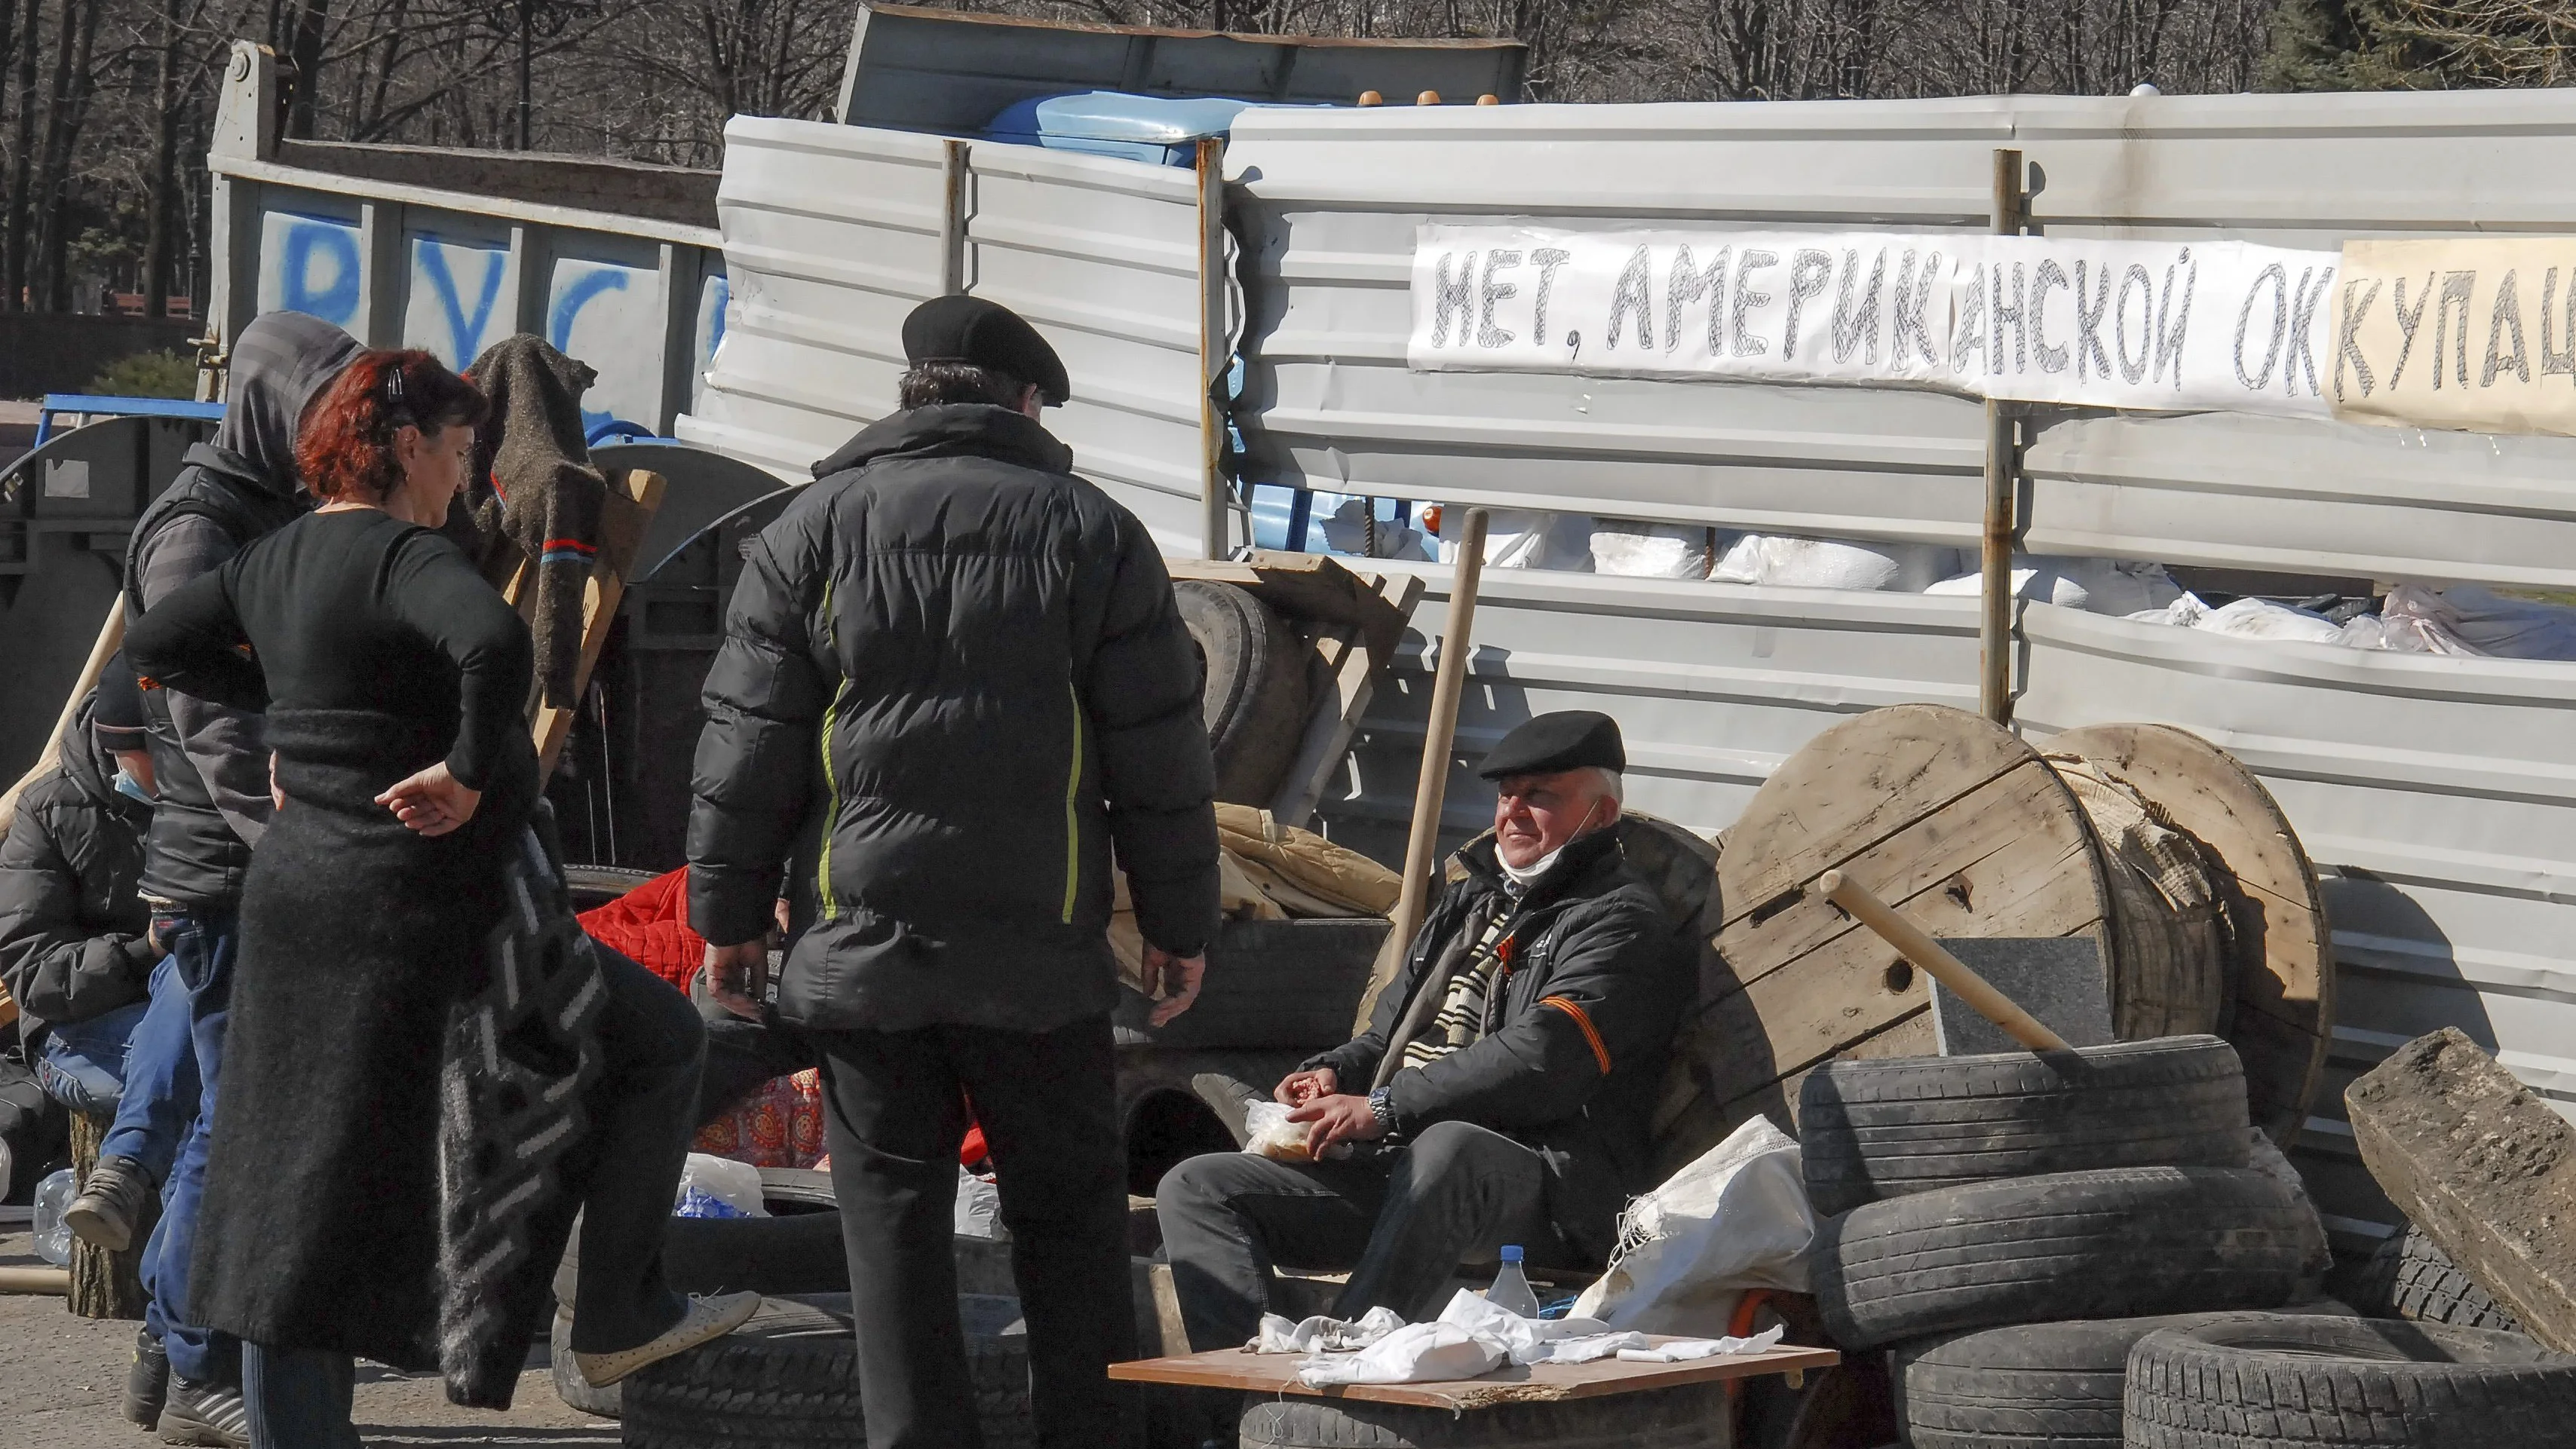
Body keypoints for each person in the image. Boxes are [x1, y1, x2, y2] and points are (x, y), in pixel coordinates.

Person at [126, 349, 753, 1446]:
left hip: (298, 901)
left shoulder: (274, 559)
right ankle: (615, 1309)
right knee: (654, 1037)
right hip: (417, 912)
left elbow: (155, 642)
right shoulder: (398, 554)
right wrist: (465, 770)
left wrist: (294, 715)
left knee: (298, 1183)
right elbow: (497, 640)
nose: (467, 477)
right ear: (405, 445)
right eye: (460, 451)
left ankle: (588, 1317)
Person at [687, 295, 1221, 1449]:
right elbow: (1161, 756)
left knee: (891, 1238)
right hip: (1041, 962)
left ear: (910, 391)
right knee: (1072, 1230)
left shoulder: (807, 530)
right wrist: (1180, 923)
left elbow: (744, 747)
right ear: (1025, 404)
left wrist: (727, 917)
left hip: (864, 957)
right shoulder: (1096, 534)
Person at [1155, 712, 1693, 1361]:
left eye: (1542, 796)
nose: (1514, 812)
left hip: (1546, 1189)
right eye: (1506, 795)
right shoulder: (1469, 901)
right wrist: (1335, 1073)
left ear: (1602, 814)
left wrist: (1380, 1109)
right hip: (1403, 1167)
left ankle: (1342, 1367)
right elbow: (1385, 1038)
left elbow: (1542, 1059)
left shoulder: (1619, 922)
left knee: (1451, 1146)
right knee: (1196, 1186)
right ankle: (1241, 1408)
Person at [70, 310, 367, 1447]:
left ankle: (176, 1338)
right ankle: (195, 1364)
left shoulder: (267, 509)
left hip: (255, 866)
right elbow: (216, 735)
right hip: (231, 876)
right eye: (316, 414)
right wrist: (299, 850)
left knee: (234, 1123)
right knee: (228, 1129)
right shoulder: (199, 527)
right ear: (266, 409)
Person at [0, 658, 158, 1123]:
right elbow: (32, 972)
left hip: (187, 1001)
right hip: (74, 1029)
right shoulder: (49, 809)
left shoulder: (213, 781)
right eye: (161, 751)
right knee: (186, 1085)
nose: (181, 768)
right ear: (115, 743)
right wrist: (144, 950)